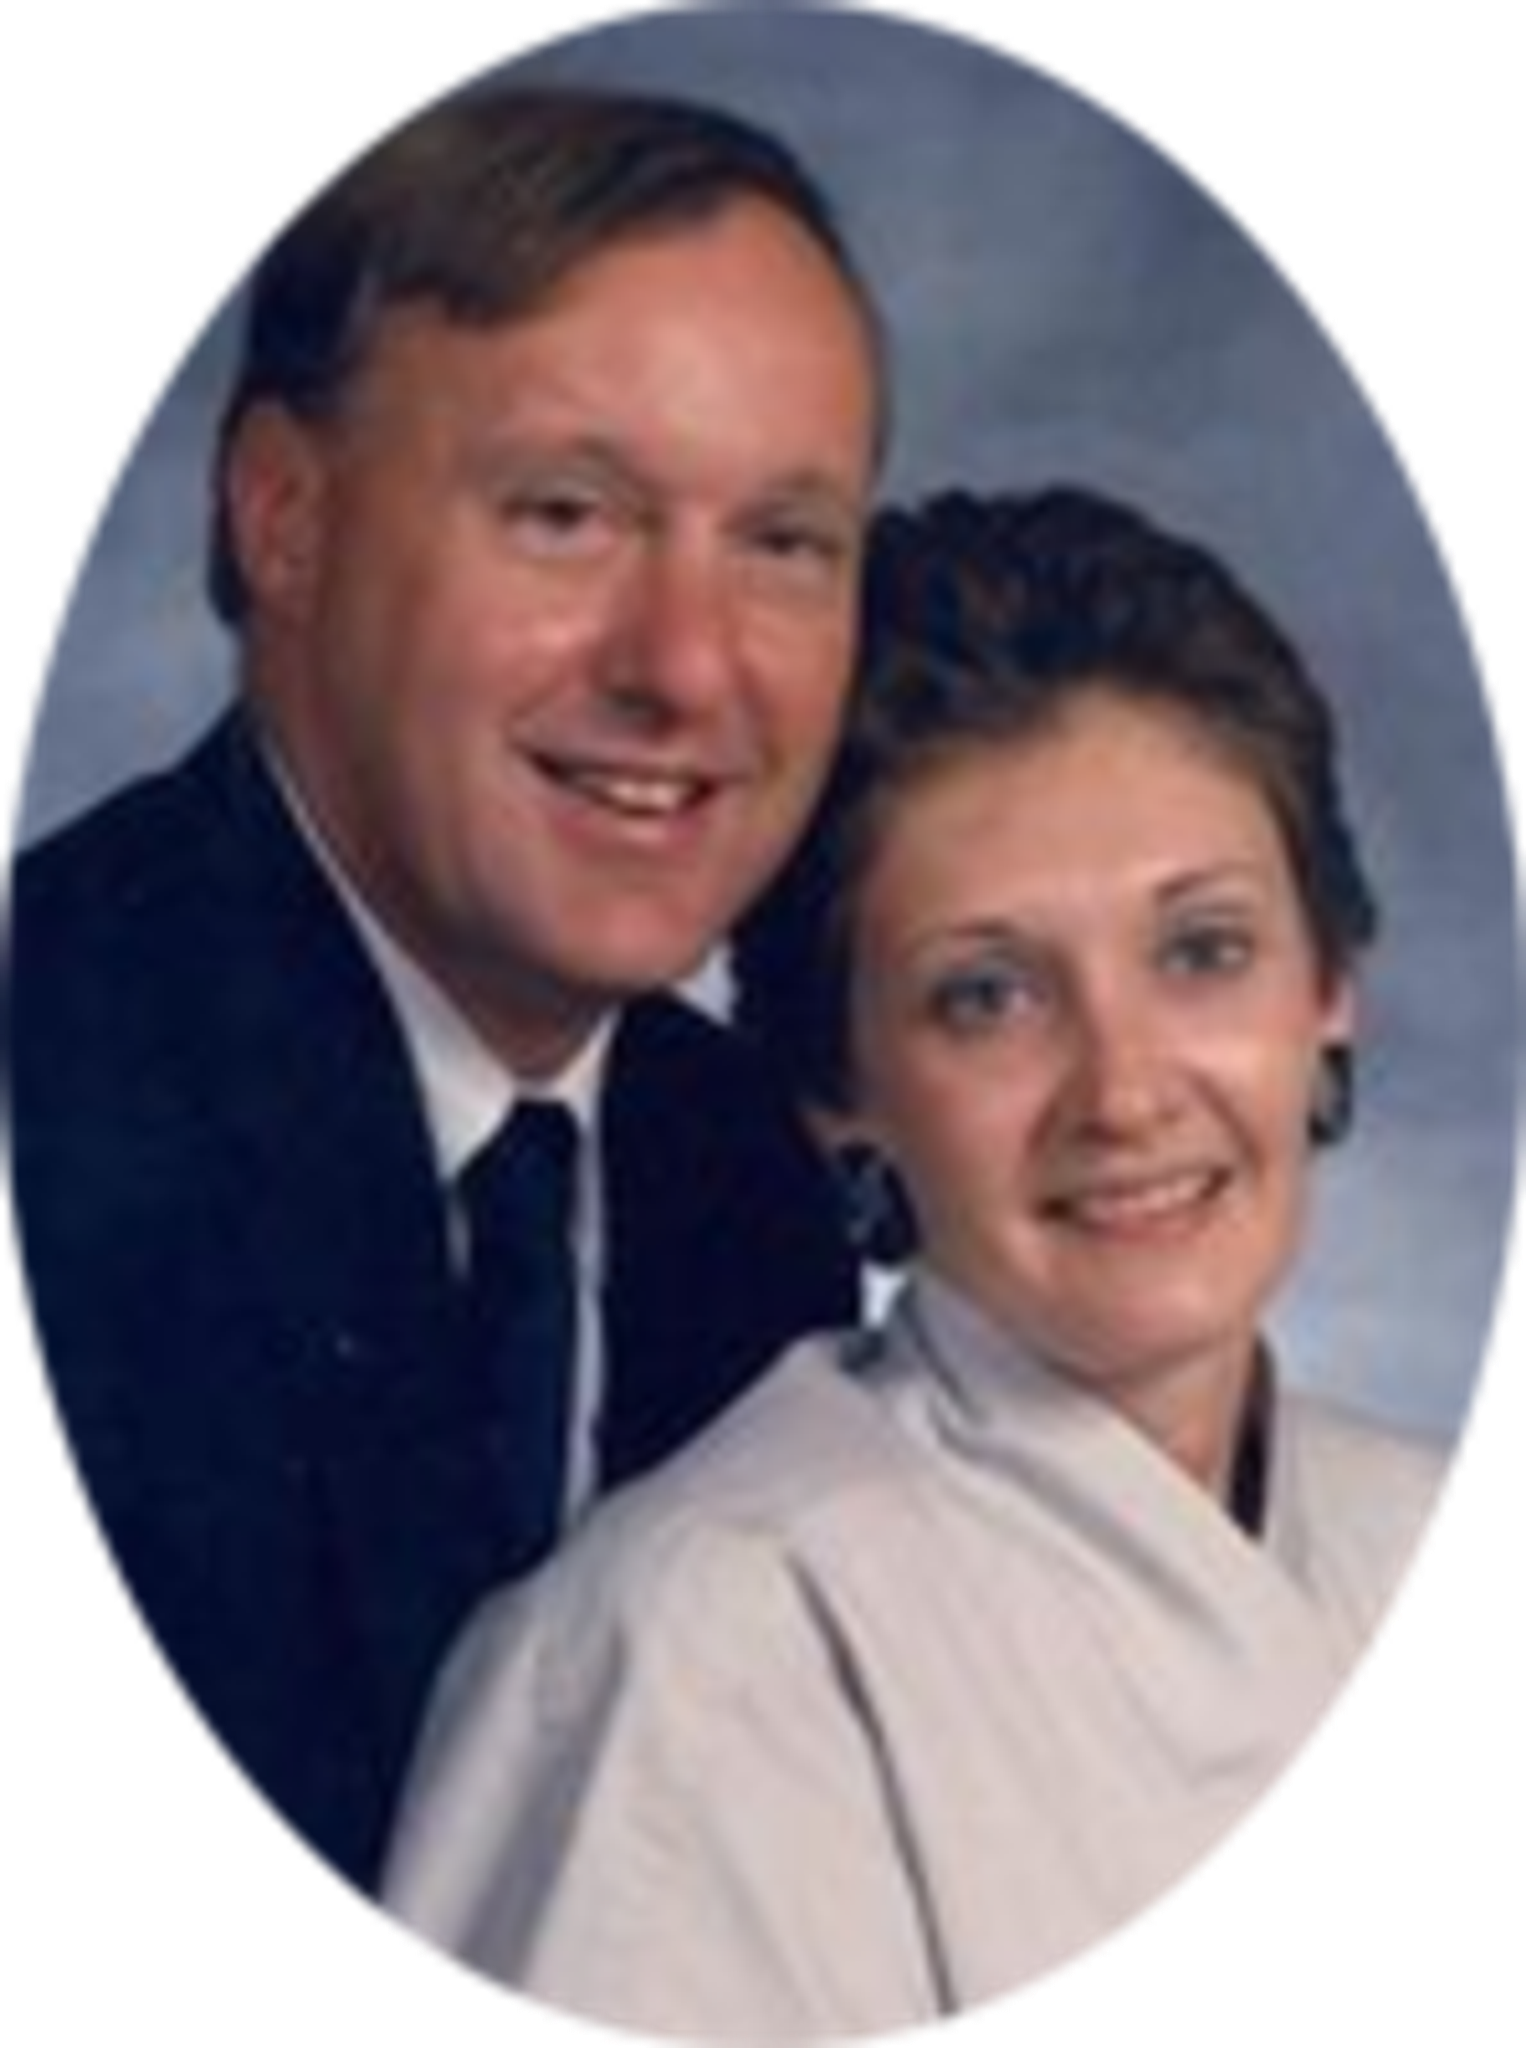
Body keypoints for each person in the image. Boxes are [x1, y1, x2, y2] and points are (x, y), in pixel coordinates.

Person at [374, 487, 1460, 2037]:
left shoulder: (1410, 1524)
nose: (1124, 1092)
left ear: (1326, 988)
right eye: (986, 996)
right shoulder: (701, 1652)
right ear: (839, 1093)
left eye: (1200, 951)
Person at [0, 88, 883, 1904]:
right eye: (566, 514)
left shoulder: (737, 1167)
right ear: (284, 516)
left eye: (784, 542)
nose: (686, 667)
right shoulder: (34, 1090)